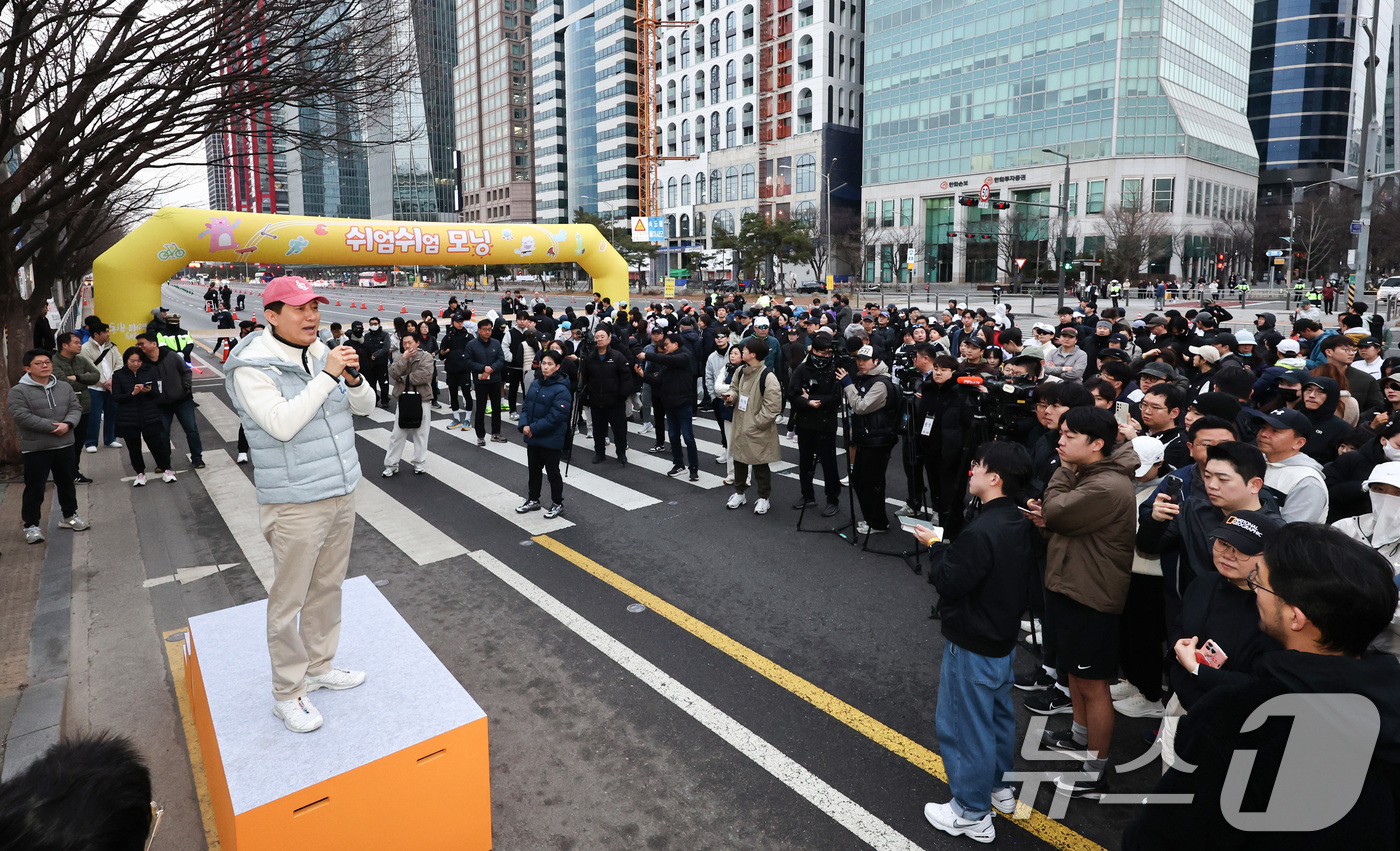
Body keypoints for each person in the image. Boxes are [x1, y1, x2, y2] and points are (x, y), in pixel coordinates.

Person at [1122, 524, 1400, 849]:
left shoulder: (1242, 717)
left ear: (1296, 618)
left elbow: (1167, 834)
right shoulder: (1387, 705)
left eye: (1260, 584)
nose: (1254, 590)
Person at [225, 276, 376, 733]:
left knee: (328, 587)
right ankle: (287, 693)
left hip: (341, 487)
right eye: (299, 308)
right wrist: (328, 374)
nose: (311, 316)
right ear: (271, 316)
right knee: (288, 600)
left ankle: (319, 665)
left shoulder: (317, 353)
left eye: (315, 306)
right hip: (294, 501)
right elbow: (282, 424)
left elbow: (366, 407)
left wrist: (350, 376)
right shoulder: (253, 366)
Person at [916, 442, 1041, 843]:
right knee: (997, 718)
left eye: (978, 466)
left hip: (972, 641)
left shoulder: (983, 529)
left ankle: (971, 812)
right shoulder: (1020, 521)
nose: (971, 470)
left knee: (964, 725)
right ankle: (998, 789)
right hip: (1002, 638)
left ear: (995, 478)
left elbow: (951, 580)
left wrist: (936, 550)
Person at [1025, 406, 1137, 798]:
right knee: (1075, 674)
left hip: (1091, 596)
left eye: (1070, 435)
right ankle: (1078, 736)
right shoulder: (1088, 475)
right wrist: (1051, 520)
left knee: (1093, 684)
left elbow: (1057, 509)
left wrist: (1058, 483)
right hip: (1070, 585)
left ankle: (1095, 771)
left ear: (1097, 444)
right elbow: (1063, 522)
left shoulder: (1104, 485)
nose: (1060, 440)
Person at [7, 349, 89, 543]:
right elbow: (21, 416)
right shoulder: (18, 391)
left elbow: (75, 407)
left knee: (67, 483)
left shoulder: (63, 387)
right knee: (35, 488)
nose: (45, 366)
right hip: (37, 448)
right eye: (39, 363)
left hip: (65, 444)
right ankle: (31, 526)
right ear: (27, 368)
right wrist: (53, 428)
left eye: (47, 362)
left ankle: (69, 516)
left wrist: (68, 425)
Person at [1333, 461, 1400, 658]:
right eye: (1379, 489)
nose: (1388, 499)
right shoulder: (1344, 529)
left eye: (1397, 492)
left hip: (1392, 657)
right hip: (1337, 647)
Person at [723, 336, 784, 514]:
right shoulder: (741, 371)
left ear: (754, 354)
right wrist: (731, 396)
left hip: (757, 427)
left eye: (745, 350)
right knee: (739, 459)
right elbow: (734, 388)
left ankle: (764, 497)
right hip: (741, 422)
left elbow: (773, 407)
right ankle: (740, 492)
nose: (742, 352)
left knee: (760, 463)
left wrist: (757, 423)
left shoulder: (768, 376)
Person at [785, 333, 842, 515]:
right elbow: (792, 394)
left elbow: (837, 397)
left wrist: (815, 399)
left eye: (828, 353)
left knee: (829, 463)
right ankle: (807, 494)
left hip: (826, 423)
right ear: (813, 351)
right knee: (805, 461)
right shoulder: (802, 369)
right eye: (822, 353)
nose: (825, 357)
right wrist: (807, 403)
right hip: (805, 422)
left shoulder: (835, 369)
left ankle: (832, 498)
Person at [516, 350, 572, 519]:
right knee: (534, 471)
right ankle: (533, 499)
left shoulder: (562, 389)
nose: (546, 367)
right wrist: (524, 424)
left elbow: (557, 416)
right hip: (533, 437)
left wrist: (533, 428)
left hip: (551, 439)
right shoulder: (536, 384)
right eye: (544, 363)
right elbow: (526, 405)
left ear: (557, 367)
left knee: (552, 473)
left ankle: (557, 503)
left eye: (550, 364)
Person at [1248, 406, 1329, 522]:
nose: (1264, 434)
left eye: (1275, 431)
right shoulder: (1253, 461)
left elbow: (1291, 533)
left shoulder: (1307, 482)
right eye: (1263, 427)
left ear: (1298, 442)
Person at [135, 332, 203, 471]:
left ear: (154, 344)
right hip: (160, 404)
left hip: (182, 401)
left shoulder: (170, 355)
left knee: (191, 429)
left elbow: (186, 371)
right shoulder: (144, 363)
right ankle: (164, 463)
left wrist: (184, 389)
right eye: (138, 344)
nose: (139, 347)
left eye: (142, 344)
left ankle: (197, 458)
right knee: (162, 434)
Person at [639, 332, 700, 481]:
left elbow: (668, 360)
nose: (664, 347)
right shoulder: (668, 362)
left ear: (676, 344)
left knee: (688, 437)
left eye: (666, 344)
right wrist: (642, 375)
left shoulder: (684, 356)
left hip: (683, 403)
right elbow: (658, 380)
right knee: (673, 436)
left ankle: (693, 468)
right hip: (670, 404)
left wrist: (647, 355)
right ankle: (678, 463)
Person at [111, 346, 170, 486]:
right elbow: (116, 397)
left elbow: (157, 393)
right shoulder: (118, 375)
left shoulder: (150, 372)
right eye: (132, 361)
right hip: (128, 417)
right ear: (126, 361)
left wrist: (148, 391)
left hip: (149, 415)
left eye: (138, 361)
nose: (135, 364)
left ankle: (166, 469)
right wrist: (132, 394)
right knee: (134, 448)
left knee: (157, 445)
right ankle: (140, 473)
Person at [580, 323, 634, 465]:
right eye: (597, 337)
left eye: (602, 336)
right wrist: (585, 396)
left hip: (615, 402)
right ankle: (599, 453)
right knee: (598, 430)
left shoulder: (618, 357)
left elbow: (626, 378)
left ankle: (621, 453)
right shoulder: (590, 358)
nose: (599, 339)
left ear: (609, 338)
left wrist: (622, 395)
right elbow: (584, 378)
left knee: (620, 430)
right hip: (596, 401)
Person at [381, 332, 434, 477]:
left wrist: (403, 378)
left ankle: (419, 463)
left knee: (421, 433)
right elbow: (392, 372)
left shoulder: (426, 356)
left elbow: (426, 375)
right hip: (404, 399)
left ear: (417, 342)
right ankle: (391, 464)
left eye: (410, 342)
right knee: (398, 433)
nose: (407, 345)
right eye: (404, 343)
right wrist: (404, 359)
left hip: (422, 398)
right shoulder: (400, 357)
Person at [52, 331, 99, 484]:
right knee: (66, 444)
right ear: (65, 345)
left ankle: (74, 472)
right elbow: (63, 382)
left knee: (78, 443)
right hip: (64, 410)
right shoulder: (54, 362)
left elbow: (96, 376)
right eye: (76, 343)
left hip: (83, 407)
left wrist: (78, 377)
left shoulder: (81, 360)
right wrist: (83, 381)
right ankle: (65, 474)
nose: (80, 345)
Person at [80, 322, 122, 453]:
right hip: (94, 387)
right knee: (94, 416)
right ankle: (91, 442)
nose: (108, 334)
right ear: (96, 334)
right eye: (106, 332)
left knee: (112, 413)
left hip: (111, 386)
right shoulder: (85, 348)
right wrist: (104, 382)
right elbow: (89, 369)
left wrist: (112, 379)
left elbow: (119, 363)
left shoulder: (112, 347)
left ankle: (110, 439)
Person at [465, 318, 506, 446]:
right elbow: (468, 361)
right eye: (485, 330)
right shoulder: (472, 345)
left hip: (495, 379)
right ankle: (480, 435)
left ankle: (496, 433)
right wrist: (483, 368)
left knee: (496, 408)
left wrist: (491, 369)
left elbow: (501, 359)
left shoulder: (496, 343)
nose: (487, 332)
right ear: (479, 330)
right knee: (481, 408)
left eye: (489, 329)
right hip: (480, 381)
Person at [362, 317, 392, 404]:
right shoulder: (367, 336)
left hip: (381, 364)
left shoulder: (385, 335)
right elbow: (365, 348)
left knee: (384, 383)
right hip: (371, 365)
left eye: (375, 324)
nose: (373, 325)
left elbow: (386, 348)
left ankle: (385, 400)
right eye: (371, 324)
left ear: (379, 324)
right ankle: (374, 399)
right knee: (371, 384)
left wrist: (376, 355)